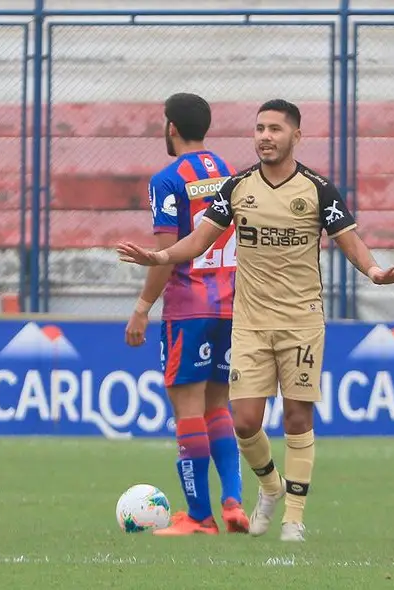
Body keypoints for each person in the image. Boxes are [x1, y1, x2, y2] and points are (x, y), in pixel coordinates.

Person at [117, 98, 394, 542]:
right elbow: (198, 240)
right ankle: (266, 489)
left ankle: (287, 518)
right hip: (245, 317)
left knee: (293, 416)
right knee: (243, 420)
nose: (265, 136)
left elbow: (348, 239)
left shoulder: (317, 188)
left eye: (275, 129)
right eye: (259, 129)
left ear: (296, 136)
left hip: (292, 319)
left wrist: (373, 271)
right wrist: (159, 256)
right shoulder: (233, 182)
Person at [124, 92, 249, 536]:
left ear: (171, 127)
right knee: (218, 405)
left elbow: (166, 252)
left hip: (189, 308)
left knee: (188, 410)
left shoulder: (167, 179)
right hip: (232, 305)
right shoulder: (229, 173)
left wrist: (142, 309)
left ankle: (199, 516)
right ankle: (233, 501)